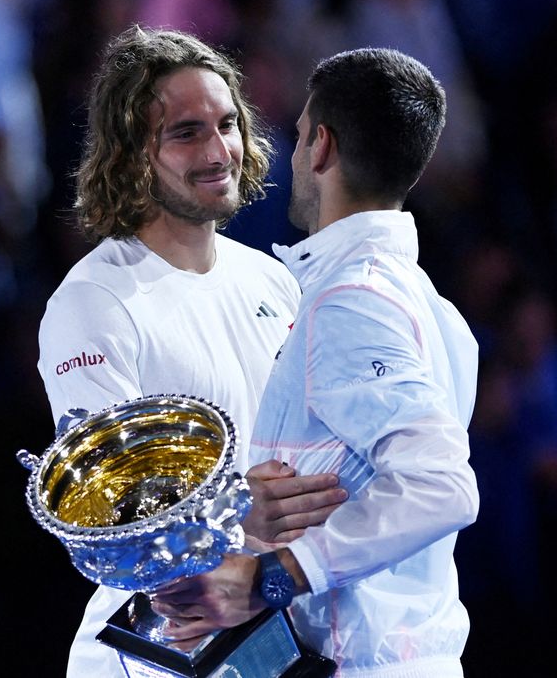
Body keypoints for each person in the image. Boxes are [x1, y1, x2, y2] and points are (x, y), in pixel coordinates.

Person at [153, 48, 481, 677]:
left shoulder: (352, 302)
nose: (293, 154)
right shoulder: (432, 308)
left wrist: (268, 579)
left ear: (322, 147)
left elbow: (440, 487)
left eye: (298, 136)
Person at [35, 25, 348, 678]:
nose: (218, 150)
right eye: (184, 132)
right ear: (128, 154)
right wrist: (237, 511)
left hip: (270, 638)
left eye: (227, 124)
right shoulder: (92, 301)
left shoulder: (272, 280)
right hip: (145, 655)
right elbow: (106, 506)